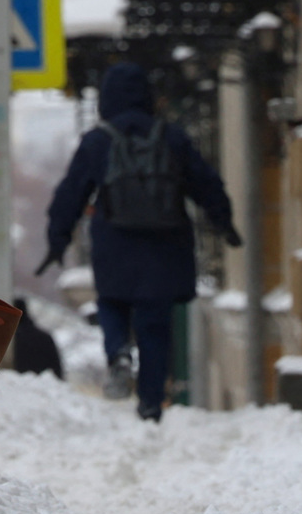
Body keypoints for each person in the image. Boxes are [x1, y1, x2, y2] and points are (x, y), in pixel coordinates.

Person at [40, 59, 238, 421]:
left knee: (112, 303)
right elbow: (205, 183)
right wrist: (225, 223)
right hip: (165, 243)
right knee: (154, 323)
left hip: (115, 242)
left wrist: (58, 238)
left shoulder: (98, 141)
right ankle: (149, 404)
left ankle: (117, 352)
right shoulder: (171, 136)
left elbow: (71, 194)